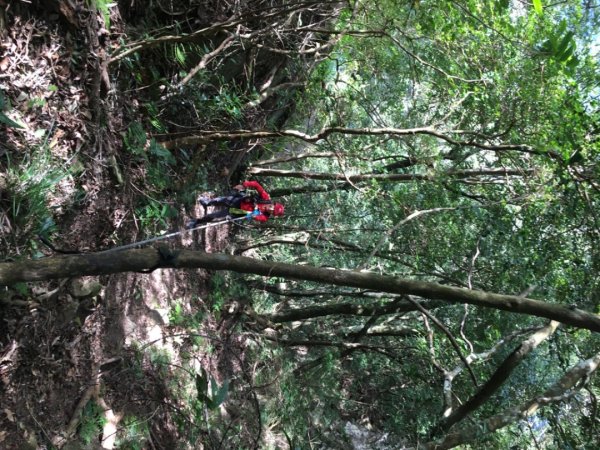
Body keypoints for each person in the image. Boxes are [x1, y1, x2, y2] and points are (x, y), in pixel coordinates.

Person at [187, 180, 284, 228]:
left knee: (215, 216)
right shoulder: (266, 198)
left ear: (272, 214)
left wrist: (255, 210)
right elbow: (256, 185)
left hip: (239, 211)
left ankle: (196, 222)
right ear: (273, 204)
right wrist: (244, 185)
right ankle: (206, 202)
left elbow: (255, 217)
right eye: (272, 207)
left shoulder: (265, 216)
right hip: (240, 200)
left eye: (272, 212)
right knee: (220, 200)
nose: (270, 209)